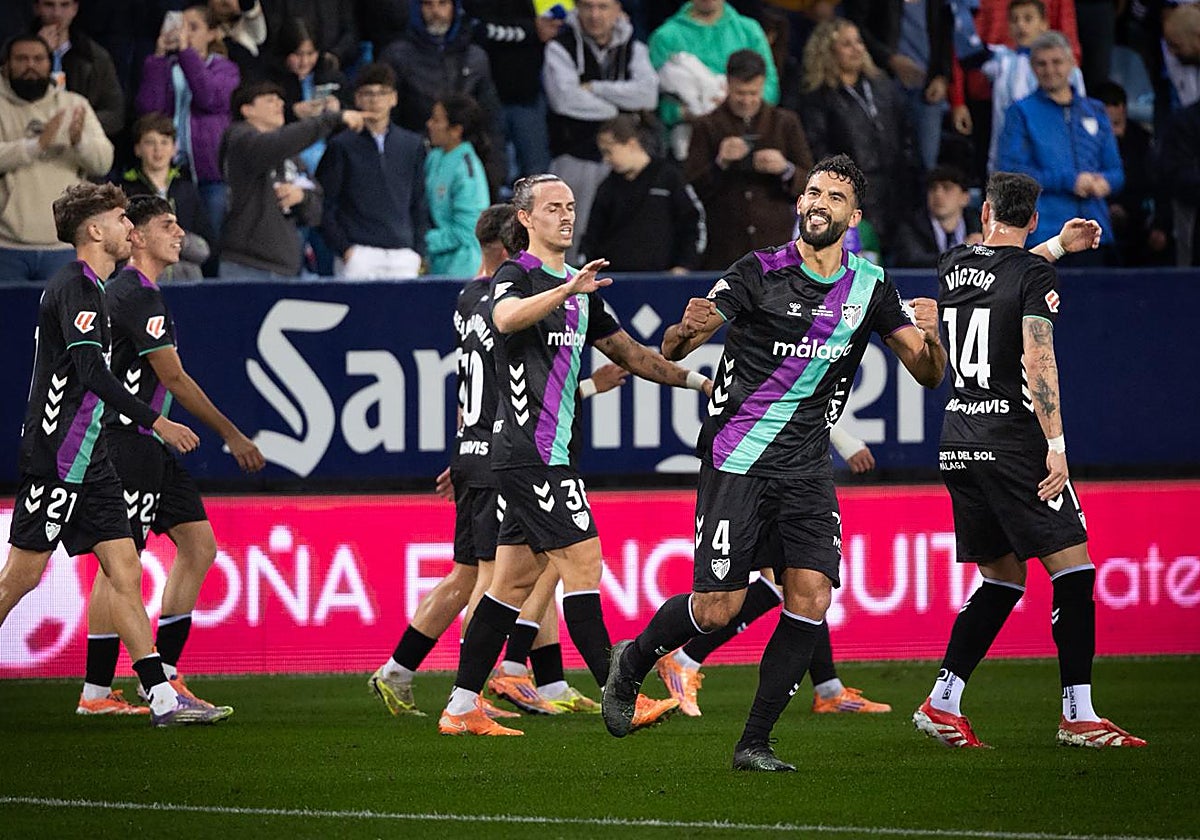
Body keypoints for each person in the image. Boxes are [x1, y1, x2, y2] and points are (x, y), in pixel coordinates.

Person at [601, 154, 947, 771]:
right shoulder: (756, 271)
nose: (818, 202)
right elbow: (677, 345)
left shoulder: (870, 287)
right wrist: (685, 332)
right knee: (717, 610)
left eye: (833, 196)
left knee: (809, 596)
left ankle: (754, 742)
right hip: (737, 457)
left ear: (853, 215)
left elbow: (926, 375)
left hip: (808, 466)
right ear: (799, 204)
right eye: (812, 192)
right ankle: (632, 662)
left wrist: (935, 334)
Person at [436, 173, 712, 736]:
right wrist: (568, 290)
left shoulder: (580, 289)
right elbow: (506, 319)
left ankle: (461, 707)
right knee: (584, 563)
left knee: (511, 583)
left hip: (543, 454)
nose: (566, 215)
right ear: (526, 220)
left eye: (570, 206)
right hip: (531, 454)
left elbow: (632, 354)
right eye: (554, 207)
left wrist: (696, 383)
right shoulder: (517, 276)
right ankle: (622, 697)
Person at [913, 171, 1145, 750]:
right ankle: (1078, 714)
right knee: (1074, 569)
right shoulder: (1034, 275)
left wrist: (1060, 247)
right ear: (1034, 218)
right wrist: (1058, 447)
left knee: (1003, 578)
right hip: (1015, 441)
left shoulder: (953, 263)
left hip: (959, 437)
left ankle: (942, 701)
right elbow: (1039, 358)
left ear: (985, 210)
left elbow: (999, 269)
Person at [369, 203, 626, 718]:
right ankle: (481, 691)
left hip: (476, 445)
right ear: (517, 241)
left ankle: (424, 672)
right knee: (496, 576)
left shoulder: (467, 297)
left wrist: (465, 444)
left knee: (502, 571)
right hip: (507, 446)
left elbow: (476, 383)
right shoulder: (515, 297)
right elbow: (522, 386)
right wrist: (592, 385)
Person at [0, 182, 224, 727]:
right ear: (95, 230)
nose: (131, 228)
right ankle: (148, 693)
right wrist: (158, 421)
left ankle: (161, 696)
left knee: (126, 570)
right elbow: (90, 373)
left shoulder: (98, 290)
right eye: (122, 219)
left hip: (91, 456)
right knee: (21, 580)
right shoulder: (75, 286)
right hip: (57, 453)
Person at [77, 194, 265, 717]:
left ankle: (167, 675)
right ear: (134, 236)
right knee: (120, 565)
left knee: (199, 545)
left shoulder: (141, 293)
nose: (179, 232)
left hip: (151, 445)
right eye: (167, 225)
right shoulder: (133, 295)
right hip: (126, 441)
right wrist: (232, 434)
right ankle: (98, 693)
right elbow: (174, 378)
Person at [655, 425, 892, 718]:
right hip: (759, 470)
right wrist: (845, 442)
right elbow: (790, 398)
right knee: (783, 586)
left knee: (803, 584)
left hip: (785, 468)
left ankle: (828, 689)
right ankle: (683, 659)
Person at [543, 0, 658, 264]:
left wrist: (595, 88)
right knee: (570, 240)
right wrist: (619, 112)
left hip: (625, 162)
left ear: (618, 9)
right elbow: (565, 99)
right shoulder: (560, 46)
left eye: (603, 7)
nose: (595, 15)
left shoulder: (634, 48)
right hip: (576, 158)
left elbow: (648, 95)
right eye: (587, 6)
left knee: (627, 237)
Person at [997, 32, 1123, 263]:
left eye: (1057, 62)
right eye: (1041, 64)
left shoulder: (1095, 110)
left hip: (1095, 232)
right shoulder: (1021, 112)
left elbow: (1116, 171)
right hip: (1047, 236)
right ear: (1032, 68)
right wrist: (1069, 181)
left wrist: (1105, 182)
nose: (1049, 70)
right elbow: (1010, 171)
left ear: (1072, 62)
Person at [220, 80, 363, 278]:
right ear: (247, 109)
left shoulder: (291, 157)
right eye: (270, 100)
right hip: (246, 266)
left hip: (285, 268)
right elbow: (274, 144)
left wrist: (302, 196)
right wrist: (330, 119)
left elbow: (315, 211)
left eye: (280, 100)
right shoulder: (240, 139)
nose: (280, 104)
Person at [0, 34, 113, 283]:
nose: (30, 65)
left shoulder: (74, 104)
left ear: (50, 65)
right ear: (6, 65)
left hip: (63, 246)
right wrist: (37, 145)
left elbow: (104, 161)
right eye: (22, 59)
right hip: (6, 246)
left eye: (38, 59)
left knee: (62, 321)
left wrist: (78, 143)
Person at [686, 49, 811, 271]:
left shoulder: (785, 122)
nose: (747, 100)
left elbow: (811, 182)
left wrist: (785, 169)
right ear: (728, 84)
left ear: (763, 85)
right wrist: (720, 163)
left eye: (754, 93)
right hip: (725, 249)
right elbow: (691, 188)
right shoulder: (706, 125)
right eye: (740, 93)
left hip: (777, 249)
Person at [799, 19, 916, 253]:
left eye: (859, 42)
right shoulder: (818, 96)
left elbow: (906, 132)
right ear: (827, 51)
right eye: (846, 44)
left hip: (896, 191)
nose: (857, 49)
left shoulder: (882, 85)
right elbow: (818, 147)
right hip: (855, 193)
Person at [135, 4, 241, 244]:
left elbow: (209, 98)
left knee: (210, 242)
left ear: (212, 33)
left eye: (193, 28)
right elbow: (149, 112)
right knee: (167, 242)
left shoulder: (225, 68)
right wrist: (159, 57)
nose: (185, 33)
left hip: (210, 173)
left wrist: (186, 54)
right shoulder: (166, 66)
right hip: (169, 170)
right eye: (181, 27)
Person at [381, 0, 507, 194]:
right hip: (414, 158)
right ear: (418, 9)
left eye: (442, 4)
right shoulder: (397, 55)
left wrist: (495, 170)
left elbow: (491, 120)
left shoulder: (475, 57)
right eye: (428, 5)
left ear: (454, 8)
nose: (436, 12)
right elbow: (389, 118)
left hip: (468, 157)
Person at [316, 63, 426, 280]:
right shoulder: (341, 145)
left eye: (382, 93)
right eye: (368, 94)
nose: (375, 100)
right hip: (359, 254)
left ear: (393, 98)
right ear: (357, 99)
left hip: (403, 254)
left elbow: (419, 201)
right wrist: (345, 249)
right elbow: (325, 204)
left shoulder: (412, 144)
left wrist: (418, 251)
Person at [956, 1, 1086, 176]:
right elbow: (967, 51)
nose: (1020, 25)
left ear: (1044, 24)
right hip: (1009, 163)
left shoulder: (1068, 70)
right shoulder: (1002, 60)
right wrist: (957, 9)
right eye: (1014, 20)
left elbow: (1080, 117)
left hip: (1056, 164)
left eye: (1028, 18)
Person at [647, 0, 779, 160]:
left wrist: (735, 106)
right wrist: (685, 113)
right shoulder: (664, 37)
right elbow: (653, 102)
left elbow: (770, 87)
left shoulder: (749, 30)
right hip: (689, 148)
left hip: (748, 139)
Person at [580, 112, 704, 272]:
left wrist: (685, 265)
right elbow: (592, 235)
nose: (606, 159)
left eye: (609, 151)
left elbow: (693, 222)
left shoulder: (669, 178)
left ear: (631, 144)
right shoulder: (608, 186)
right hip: (616, 282)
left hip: (662, 280)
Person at [118, 112, 217, 280]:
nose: (158, 150)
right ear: (138, 149)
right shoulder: (125, 191)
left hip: (186, 282)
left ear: (174, 149)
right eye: (150, 142)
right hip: (142, 283)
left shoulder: (187, 189)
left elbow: (205, 247)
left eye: (164, 142)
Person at [29, 0, 124, 140]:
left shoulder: (95, 56)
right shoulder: (15, 54)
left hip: (80, 146)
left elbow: (115, 114)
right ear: (37, 8)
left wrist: (77, 124)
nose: (57, 13)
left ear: (75, 8)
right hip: (31, 141)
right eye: (49, 5)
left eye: (65, 5)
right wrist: (38, 53)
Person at [425, 94, 491, 278]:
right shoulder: (434, 157)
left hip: (462, 269)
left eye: (436, 120)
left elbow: (467, 230)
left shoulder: (467, 169)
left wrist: (423, 241)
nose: (429, 124)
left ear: (456, 130)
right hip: (437, 263)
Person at [891, 165, 984, 268]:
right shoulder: (911, 227)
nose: (938, 194)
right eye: (933, 188)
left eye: (947, 188)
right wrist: (961, 255)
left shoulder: (981, 225)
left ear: (965, 198)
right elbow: (913, 260)